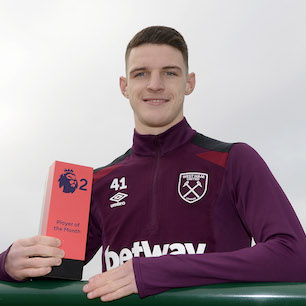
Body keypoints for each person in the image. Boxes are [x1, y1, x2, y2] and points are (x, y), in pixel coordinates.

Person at [1, 25, 306, 302]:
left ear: (189, 83)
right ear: (124, 86)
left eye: (170, 73)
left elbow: (294, 256)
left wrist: (158, 272)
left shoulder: (233, 159)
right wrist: (10, 263)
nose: (155, 85)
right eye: (141, 73)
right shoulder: (95, 182)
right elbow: (54, 272)